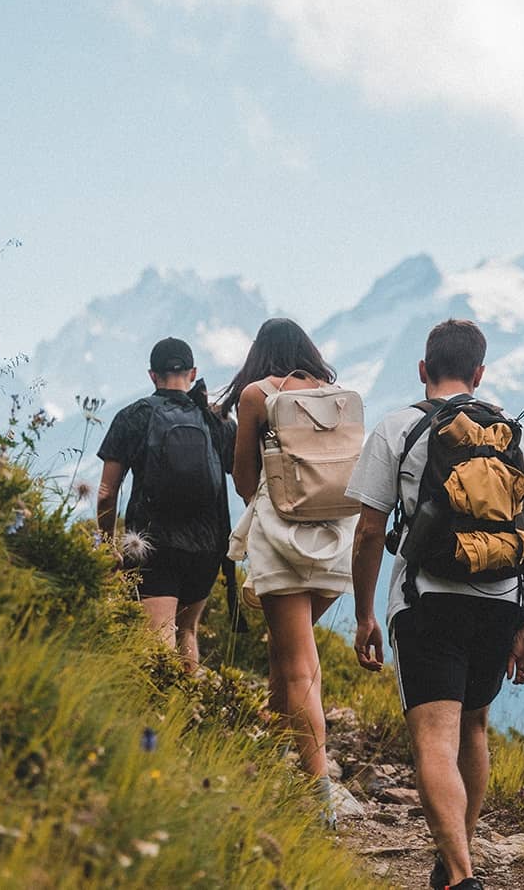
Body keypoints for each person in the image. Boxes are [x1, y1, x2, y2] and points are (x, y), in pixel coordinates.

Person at [346, 319, 524, 890]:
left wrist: (365, 613)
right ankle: (451, 865)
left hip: (427, 601)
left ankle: (462, 875)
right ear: (480, 373)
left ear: (423, 370)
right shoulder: (517, 435)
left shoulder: (399, 428)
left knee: (433, 742)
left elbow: (369, 532)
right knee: (474, 730)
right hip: (499, 603)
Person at [218, 317, 356, 824]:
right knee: (285, 652)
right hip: (335, 540)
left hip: (281, 538)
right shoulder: (334, 396)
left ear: (259, 352)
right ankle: (276, 755)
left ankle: (319, 794)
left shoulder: (256, 395)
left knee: (298, 663)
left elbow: (244, 479)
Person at [97, 336, 234, 671]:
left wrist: (106, 541)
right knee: (187, 631)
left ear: (151, 375)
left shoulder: (133, 416)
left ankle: (158, 716)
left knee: (157, 635)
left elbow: (105, 492)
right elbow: (244, 480)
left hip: (152, 544)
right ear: (193, 372)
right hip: (207, 545)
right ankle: (187, 715)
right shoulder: (217, 422)